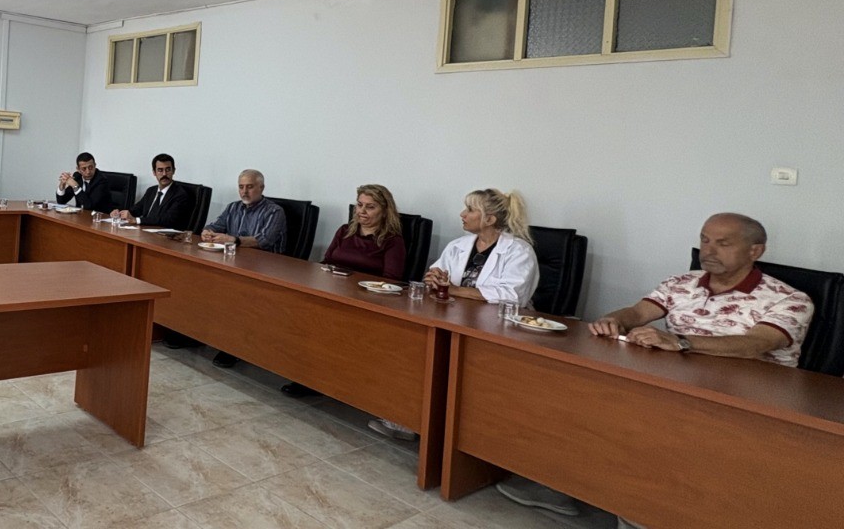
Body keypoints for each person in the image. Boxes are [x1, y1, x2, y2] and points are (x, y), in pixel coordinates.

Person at [497, 213, 812, 524]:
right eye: (704, 240)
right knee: (585, 397)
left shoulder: (789, 299)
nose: (709, 250)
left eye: (723, 243)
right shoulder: (682, 283)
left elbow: (757, 343)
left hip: (746, 402)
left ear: (755, 251)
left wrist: (681, 342)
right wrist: (614, 319)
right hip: (672, 384)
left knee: (651, 431)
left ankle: (644, 512)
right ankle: (564, 485)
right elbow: (638, 312)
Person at [369, 188, 536, 441]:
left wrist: (454, 289)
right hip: (451, 318)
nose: (462, 214)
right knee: (409, 344)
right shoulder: (458, 245)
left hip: (498, 328)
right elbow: (435, 275)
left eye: (469, 210)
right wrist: (434, 278)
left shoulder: (519, 251)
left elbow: (512, 295)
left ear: (489, 219)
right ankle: (406, 417)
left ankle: (447, 430)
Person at [283, 184, 408, 397]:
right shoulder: (345, 231)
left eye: (370, 207)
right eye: (359, 205)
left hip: (366, 302)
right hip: (334, 293)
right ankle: (307, 376)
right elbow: (326, 261)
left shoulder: (392, 241)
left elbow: (391, 280)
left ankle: (328, 381)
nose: (362, 211)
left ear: (385, 211)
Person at [200, 169, 287, 368]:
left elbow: (264, 240)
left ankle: (235, 347)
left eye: (250, 187)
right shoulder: (233, 207)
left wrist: (234, 239)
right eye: (241, 187)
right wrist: (207, 232)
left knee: (235, 294)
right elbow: (216, 225)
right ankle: (198, 333)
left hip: (266, 269)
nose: (244, 192)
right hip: (235, 263)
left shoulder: (274, 211)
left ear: (261, 188)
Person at [112, 154, 192, 230]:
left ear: (173, 171)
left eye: (168, 170)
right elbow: (136, 209)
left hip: (165, 235)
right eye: (160, 170)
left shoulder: (180, 194)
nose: (164, 174)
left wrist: (137, 220)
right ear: (154, 172)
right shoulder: (151, 191)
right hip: (145, 232)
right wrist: (119, 213)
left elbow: (168, 219)